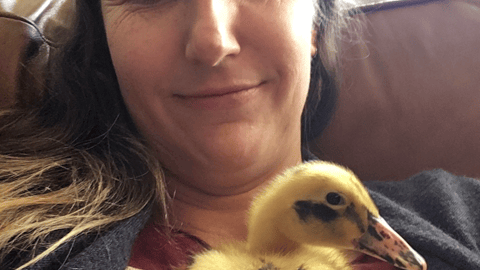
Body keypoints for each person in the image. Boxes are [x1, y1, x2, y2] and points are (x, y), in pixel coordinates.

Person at [0, 0, 479, 269]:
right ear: (107, 41)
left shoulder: (460, 212)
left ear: (312, 24)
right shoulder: (18, 237)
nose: (213, 42)